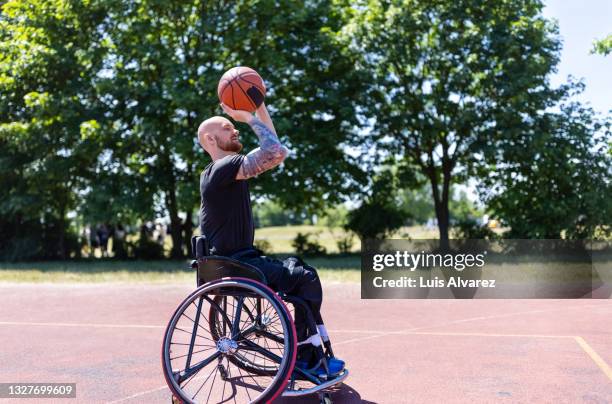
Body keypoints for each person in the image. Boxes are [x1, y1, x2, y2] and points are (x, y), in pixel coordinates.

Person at [197, 102, 344, 374]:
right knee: (306, 277)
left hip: (234, 262)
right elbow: (275, 152)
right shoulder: (223, 168)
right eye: (228, 127)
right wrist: (249, 117)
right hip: (237, 264)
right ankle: (306, 356)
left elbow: (276, 149)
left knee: (298, 265)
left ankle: (307, 350)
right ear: (210, 139)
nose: (235, 130)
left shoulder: (224, 171)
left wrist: (260, 106)